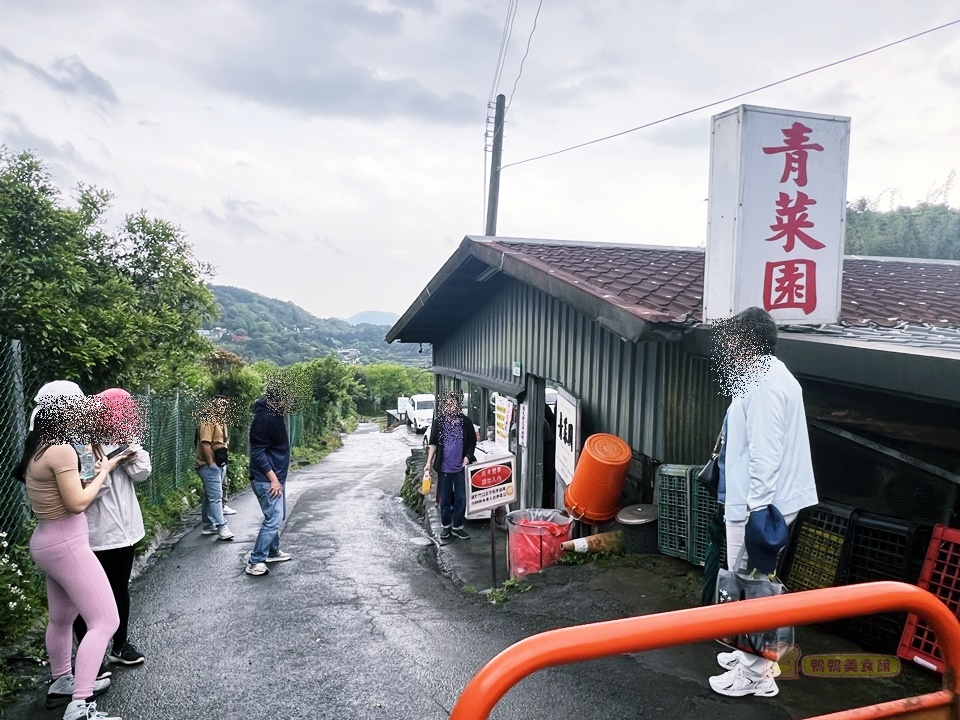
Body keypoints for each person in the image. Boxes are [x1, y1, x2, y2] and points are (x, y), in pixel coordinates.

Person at [708, 307, 818, 698]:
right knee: (751, 581)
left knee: (751, 583)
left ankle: (754, 674)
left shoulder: (763, 380)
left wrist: (757, 510)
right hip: (764, 498)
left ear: (746, 340)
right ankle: (754, 659)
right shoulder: (767, 375)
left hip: (761, 502)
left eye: (733, 337)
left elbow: (765, 452)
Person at [16, 381, 131, 720]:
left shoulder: (39, 447)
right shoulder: (62, 450)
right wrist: (105, 471)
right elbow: (78, 502)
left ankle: (62, 680)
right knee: (105, 620)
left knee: (62, 618)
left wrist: (92, 471)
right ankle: (81, 704)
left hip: (48, 541)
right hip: (67, 543)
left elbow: (65, 493)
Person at [73, 388, 151, 667]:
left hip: (126, 530)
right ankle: (90, 656)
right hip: (96, 532)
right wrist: (107, 466)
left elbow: (143, 473)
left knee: (119, 588)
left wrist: (132, 454)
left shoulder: (125, 436)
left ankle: (120, 644)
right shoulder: (83, 441)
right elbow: (88, 490)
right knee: (88, 596)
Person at [246, 384, 293, 576]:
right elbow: (258, 451)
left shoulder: (274, 414)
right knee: (273, 518)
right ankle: (255, 561)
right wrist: (273, 479)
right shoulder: (265, 417)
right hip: (267, 479)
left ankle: (272, 552)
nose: (290, 402)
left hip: (275, 477)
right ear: (278, 400)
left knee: (276, 516)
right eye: (287, 399)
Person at [423, 390, 477, 541]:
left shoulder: (465, 422)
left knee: (461, 498)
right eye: (447, 404)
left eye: (453, 404)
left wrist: (468, 456)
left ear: (458, 406)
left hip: (460, 467)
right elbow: (433, 444)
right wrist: (428, 463)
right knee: (445, 499)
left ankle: (458, 527)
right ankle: (446, 527)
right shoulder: (439, 423)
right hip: (444, 468)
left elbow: (472, 442)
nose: (450, 407)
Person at [195, 396, 234, 541]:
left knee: (210, 495)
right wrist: (211, 464)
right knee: (216, 497)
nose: (222, 408)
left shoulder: (221, 421)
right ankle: (222, 527)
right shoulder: (208, 420)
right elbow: (205, 443)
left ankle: (207, 524)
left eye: (224, 405)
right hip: (208, 465)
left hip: (219, 463)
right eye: (219, 404)